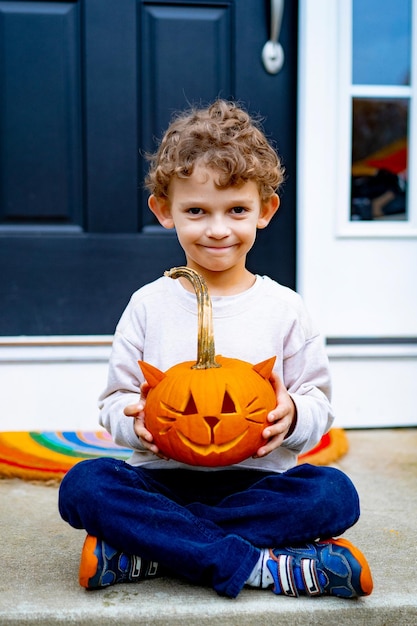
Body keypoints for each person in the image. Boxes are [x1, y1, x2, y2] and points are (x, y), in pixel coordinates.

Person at [58, 100, 373, 600]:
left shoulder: (285, 308)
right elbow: (115, 399)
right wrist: (133, 420)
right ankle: (261, 567)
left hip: (257, 485)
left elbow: (318, 403)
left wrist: (293, 414)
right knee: (84, 485)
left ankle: (151, 548)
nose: (218, 229)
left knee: (333, 494)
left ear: (265, 210)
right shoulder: (147, 305)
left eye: (237, 210)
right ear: (165, 211)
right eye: (197, 211)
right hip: (161, 481)